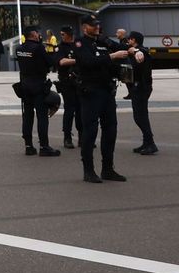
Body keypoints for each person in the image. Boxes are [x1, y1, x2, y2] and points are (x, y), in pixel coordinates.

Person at [60, 13, 130, 183]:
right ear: (85, 27)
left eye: (98, 24)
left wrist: (135, 51)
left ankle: (107, 168)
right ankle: (88, 170)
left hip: (107, 91)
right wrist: (112, 57)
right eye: (93, 25)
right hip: (90, 92)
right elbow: (87, 62)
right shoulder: (79, 43)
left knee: (110, 130)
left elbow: (122, 49)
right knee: (90, 132)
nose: (97, 27)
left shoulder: (103, 42)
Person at [13, 29, 60, 157]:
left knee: (27, 116)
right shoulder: (38, 48)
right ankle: (44, 146)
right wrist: (56, 53)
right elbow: (50, 62)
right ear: (33, 34)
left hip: (25, 85)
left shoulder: (19, 48)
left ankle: (28, 145)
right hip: (38, 85)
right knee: (42, 116)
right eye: (38, 33)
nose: (40, 35)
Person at [124, 32, 158, 155]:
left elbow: (138, 68)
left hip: (141, 87)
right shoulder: (140, 51)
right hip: (139, 86)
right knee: (141, 115)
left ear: (134, 40)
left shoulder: (141, 52)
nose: (128, 41)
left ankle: (150, 143)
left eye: (129, 39)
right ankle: (147, 142)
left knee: (140, 116)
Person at [52, 26, 80, 149]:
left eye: (63, 34)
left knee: (81, 110)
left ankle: (83, 136)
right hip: (67, 82)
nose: (61, 36)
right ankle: (67, 137)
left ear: (70, 34)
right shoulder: (61, 47)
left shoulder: (78, 44)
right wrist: (78, 60)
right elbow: (61, 62)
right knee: (70, 109)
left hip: (80, 81)